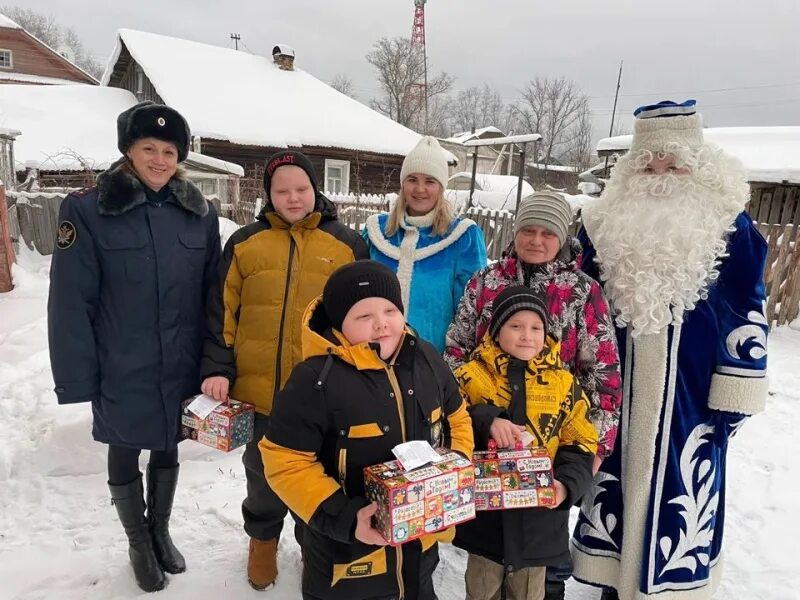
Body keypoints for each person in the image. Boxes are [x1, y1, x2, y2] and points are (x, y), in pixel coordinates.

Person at [570, 100, 769, 600]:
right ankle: (614, 578)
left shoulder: (730, 224)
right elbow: (580, 301)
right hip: (614, 384)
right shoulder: (601, 222)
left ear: (696, 161)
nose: (659, 171)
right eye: (648, 160)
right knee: (611, 475)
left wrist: (735, 390)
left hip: (692, 387)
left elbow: (747, 306)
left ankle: (672, 585)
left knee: (682, 483)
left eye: (673, 160)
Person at [48, 101, 220, 592]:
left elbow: (213, 294)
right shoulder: (87, 209)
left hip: (181, 360)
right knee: (124, 447)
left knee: (168, 444)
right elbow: (69, 301)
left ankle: (160, 531)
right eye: (149, 148)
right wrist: (79, 378)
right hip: (121, 361)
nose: (160, 160)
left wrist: (211, 359)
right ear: (128, 150)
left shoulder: (199, 214)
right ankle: (138, 543)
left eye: (169, 151)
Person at [200, 150, 368, 590]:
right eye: (282, 190)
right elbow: (222, 312)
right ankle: (262, 541)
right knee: (261, 475)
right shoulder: (244, 242)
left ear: (316, 191)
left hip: (323, 394)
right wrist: (217, 367)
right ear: (268, 195)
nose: (293, 198)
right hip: (259, 394)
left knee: (319, 476)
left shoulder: (347, 244)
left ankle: (314, 545)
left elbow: (362, 317)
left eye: (301, 189)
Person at [260, 260, 474, 600]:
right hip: (347, 558)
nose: (382, 324)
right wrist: (346, 519)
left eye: (390, 310)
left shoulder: (427, 360)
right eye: (363, 316)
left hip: (419, 543)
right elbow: (285, 461)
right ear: (339, 324)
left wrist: (456, 464)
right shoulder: (315, 380)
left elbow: (457, 416)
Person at [453, 286, 598, 600]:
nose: (526, 335)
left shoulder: (563, 384)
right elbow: (448, 423)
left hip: (539, 521)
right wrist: (488, 419)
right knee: (481, 590)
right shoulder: (471, 376)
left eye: (536, 328)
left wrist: (567, 486)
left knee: (530, 593)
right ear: (496, 330)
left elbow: (581, 442)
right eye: (515, 326)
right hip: (487, 519)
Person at [363, 135, 487, 352]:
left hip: (432, 358)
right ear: (402, 184)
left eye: (429, 181)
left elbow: (470, 308)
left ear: (441, 187)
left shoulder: (462, 237)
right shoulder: (377, 232)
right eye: (412, 179)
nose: (420, 189)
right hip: (375, 354)